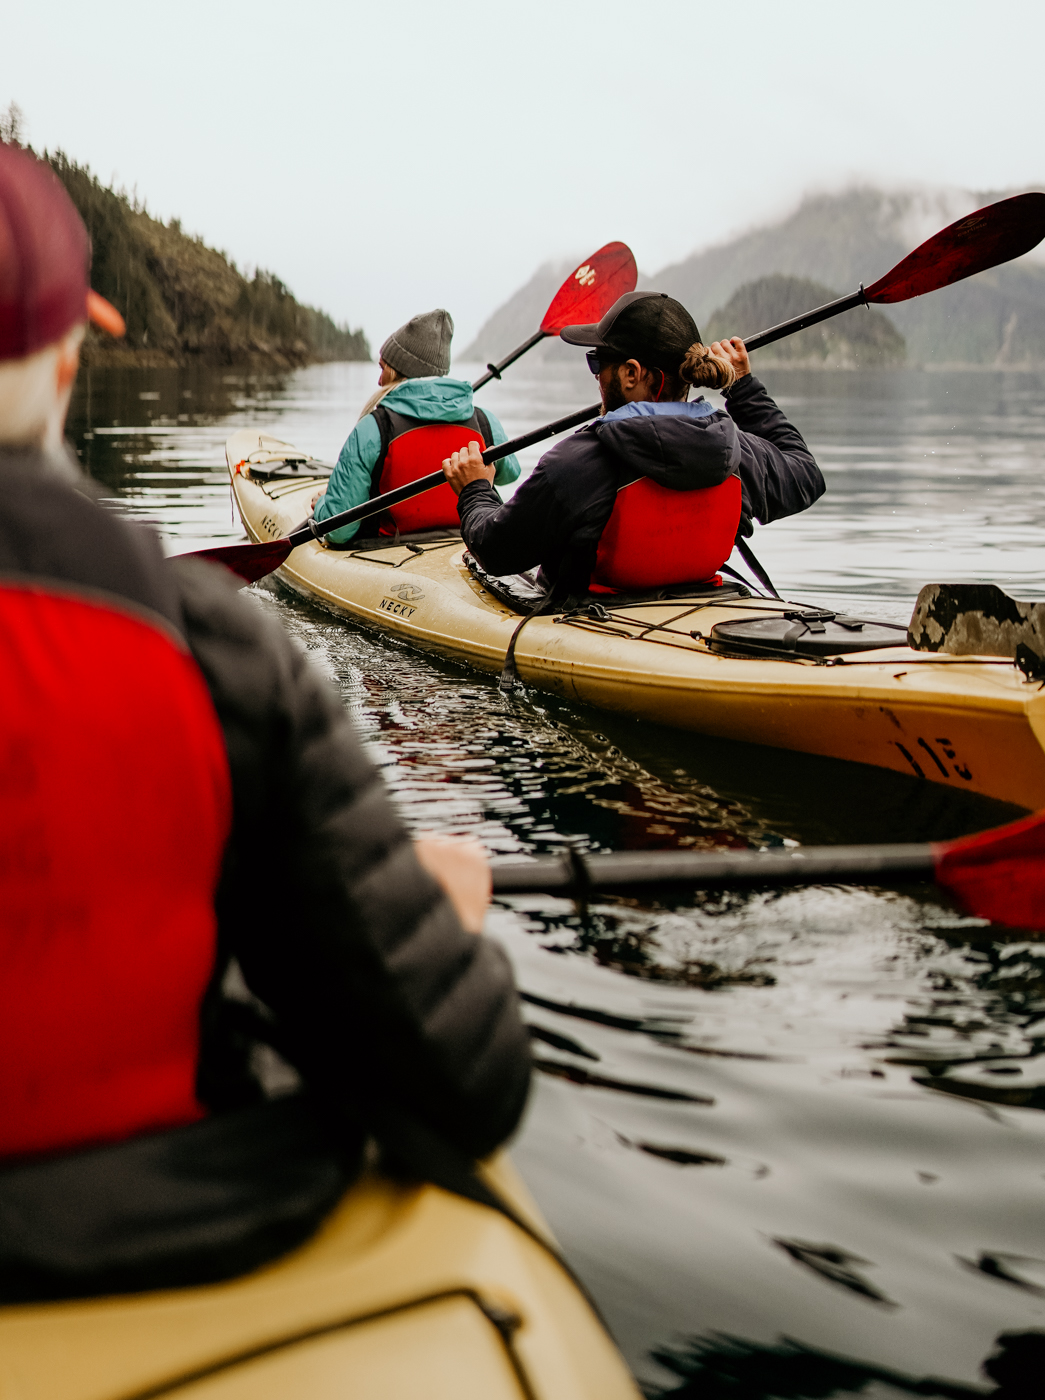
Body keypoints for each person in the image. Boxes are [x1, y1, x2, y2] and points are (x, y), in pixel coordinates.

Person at [0, 144, 530, 1301]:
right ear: (63, 364)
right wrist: (438, 923)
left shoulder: (359, 450)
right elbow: (471, 1080)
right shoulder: (212, 647)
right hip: (169, 1228)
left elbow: (333, 526)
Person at [440, 289, 825, 601]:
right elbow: (806, 476)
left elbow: (495, 551)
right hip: (696, 615)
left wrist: (475, 489)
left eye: (596, 363)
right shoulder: (736, 451)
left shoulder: (575, 464)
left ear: (630, 374)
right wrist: (742, 387)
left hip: (593, 624)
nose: (595, 377)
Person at [312, 307, 522, 546]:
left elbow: (339, 530)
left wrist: (322, 504)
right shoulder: (484, 421)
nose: (379, 381)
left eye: (383, 369)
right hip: (463, 544)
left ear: (398, 371)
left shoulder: (373, 428)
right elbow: (510, 473)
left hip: (390, 551)